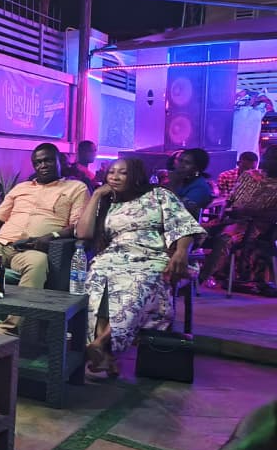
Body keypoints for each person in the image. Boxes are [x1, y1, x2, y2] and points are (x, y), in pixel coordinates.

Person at [76, 157, 205, 376]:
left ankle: (102, 344)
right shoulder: (108, 202)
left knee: (135, 288)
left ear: (136, 176)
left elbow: (184, 225)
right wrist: (96, 195)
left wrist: (181, 251)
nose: (115, 177)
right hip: (113, 256)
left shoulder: (159, 195)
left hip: (151, 257)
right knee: (95, 287)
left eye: (123, 172)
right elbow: (83, 233)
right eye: (111, 172)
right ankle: (107, 355)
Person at [0, 143, 88, 332]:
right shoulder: (21, 188)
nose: (42, 166)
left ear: (59, 161)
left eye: (47, 160)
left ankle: (9, 331)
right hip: (0, 244)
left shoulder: (76, 188)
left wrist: (51, 236)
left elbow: (77, 226)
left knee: (37, 265)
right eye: (37, 163)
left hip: (33, 249)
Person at [199, 146, 277, 290]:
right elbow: (230, 198)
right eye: (266, 156)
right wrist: (225, 212)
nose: (266, 160)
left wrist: (246, 212)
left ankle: (203, 278)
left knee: (225, 239)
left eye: (272, 158)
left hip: (257, 227)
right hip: (229, 220)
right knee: (190, 231)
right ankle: (180, 271)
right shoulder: (249, 175)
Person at [171, 148, 214, 220]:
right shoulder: (179, 180)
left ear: (197, 168)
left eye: (187, 163)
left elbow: (178, 212)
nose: (181, 165)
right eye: (180, 160)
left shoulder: (200, 187)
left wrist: (172, 184)